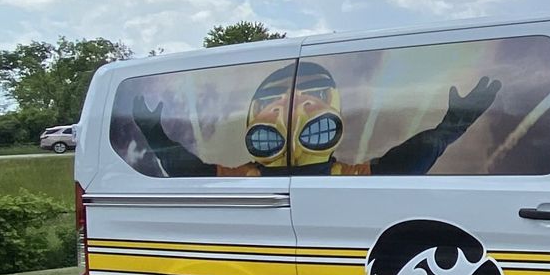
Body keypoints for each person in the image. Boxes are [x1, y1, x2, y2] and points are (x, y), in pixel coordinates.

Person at [131, 61, 500, 176]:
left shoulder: (349, 175)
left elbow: (402, 164)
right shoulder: (243, 176)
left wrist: (452, 125)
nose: (294, 107)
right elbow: (192, 172)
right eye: (273, 101)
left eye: (313, 95)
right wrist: (155, 135)